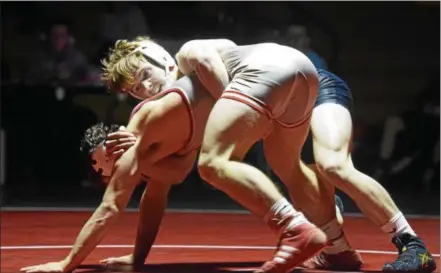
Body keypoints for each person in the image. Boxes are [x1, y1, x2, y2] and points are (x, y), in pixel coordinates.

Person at [20, 39, 328, 273]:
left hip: (265, 72)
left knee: (212, 164)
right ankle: (336, 242)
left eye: (144, 75)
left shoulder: (150, 111)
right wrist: (138, 259)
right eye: (135, 89)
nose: (144, 88)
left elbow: (111, 205)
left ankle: (294, 229)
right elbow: (157, 195)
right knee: (289, 167)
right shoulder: (170, 130)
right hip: (301, 74)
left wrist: (67, 263)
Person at [300, 69, 436, 272]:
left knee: (333, 165)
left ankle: (413, 246)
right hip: (282, 109)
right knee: (305, 184)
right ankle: (337, 251)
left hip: (316, 88)